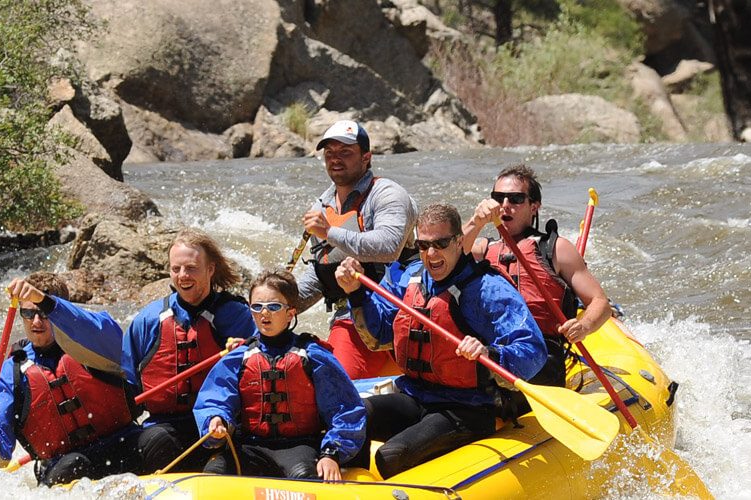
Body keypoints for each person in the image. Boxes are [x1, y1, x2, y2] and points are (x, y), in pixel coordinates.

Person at [6, 230, 255, 473]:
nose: (182, 276)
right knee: (155, 442)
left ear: (210, 269)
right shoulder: (148, 320)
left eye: (191, 268)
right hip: (169, 426)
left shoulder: (238, 317)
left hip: (224, 424)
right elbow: (127, 382)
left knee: (223, 464)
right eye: (176, 269)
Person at [333, 203, 547, 478]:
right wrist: (355, 294)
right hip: (415, 395)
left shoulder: (487, 290)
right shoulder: (410, 280)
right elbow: (379, 335)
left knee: (391, 455)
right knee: (352, 418)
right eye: (423, 246)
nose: (431, 254)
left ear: (459, 242)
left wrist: (490, 353)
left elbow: (533, 350)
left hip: (468, 407)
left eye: (440, 244)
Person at [0, 272, 144, 485]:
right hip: (64, 464)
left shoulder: (92, 344)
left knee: (159, 438)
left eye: (44, 312)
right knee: (75, 463)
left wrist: (50, 303)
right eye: (28, 313)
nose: (36, 321)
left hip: (121, 442)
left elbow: (110, 336)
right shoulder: (13, 371)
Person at [193, 270, 366, 480]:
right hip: (250, 446)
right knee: (215, 473)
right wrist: (216, 419)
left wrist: (332, 452)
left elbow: (344, 409)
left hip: (298, 446)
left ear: (290, 313)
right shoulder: (238, 357)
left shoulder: (313, 355)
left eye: (273, 307)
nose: (264, 313)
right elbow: (216, 398)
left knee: (304, 475)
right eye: (257, 307)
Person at [460, 165, 612, 387]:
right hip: (489, 349)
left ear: (534, 206)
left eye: (515, 199)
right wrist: (475, 222)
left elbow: (600, 302)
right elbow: (445, 255)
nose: (505, 205)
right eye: (498, 198)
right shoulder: (482, 249)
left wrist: (584, 325)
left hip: (540, 355)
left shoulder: (556, 249)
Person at [295, 119, 417, 379]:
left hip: (401, 313)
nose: (335, 159)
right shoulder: (320, 208)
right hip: (352, 315)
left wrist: (329, 232)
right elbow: (321, 273)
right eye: (330, 153)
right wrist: (279, 304)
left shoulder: (388, 194)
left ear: (366, 158)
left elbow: (389, 247)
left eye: (345, 153)